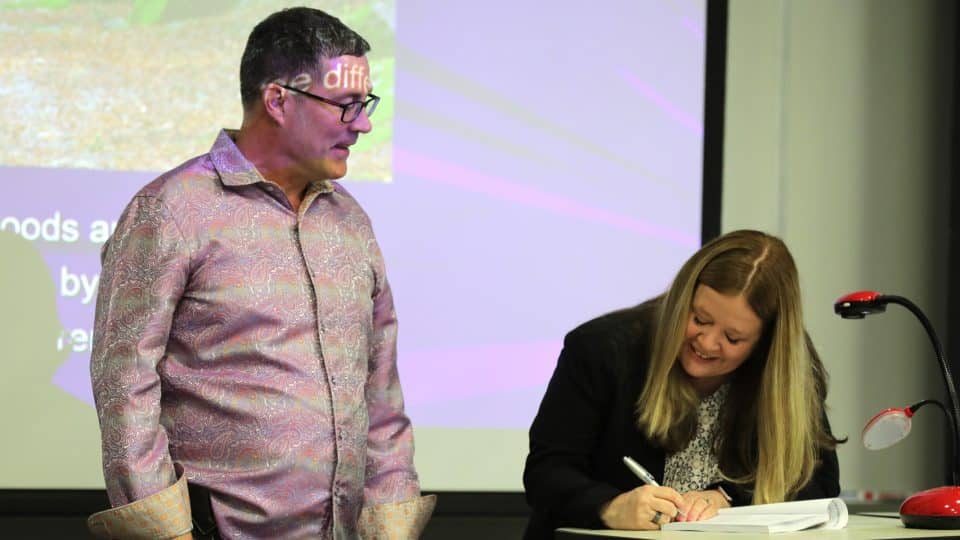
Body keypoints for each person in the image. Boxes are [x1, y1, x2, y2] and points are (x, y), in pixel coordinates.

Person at [87, 7, 433, 539]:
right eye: (345, 107)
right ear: (278, 100)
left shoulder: (350, 222)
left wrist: (391, 524)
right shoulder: (172, 211)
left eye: (365, 107)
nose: (362, 125)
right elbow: (124, 387)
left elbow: (380, 390)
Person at [522, 230, 843, 538]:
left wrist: (729, 498)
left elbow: (818, 483)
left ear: (763, 345)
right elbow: (547, 473)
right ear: (682, 299)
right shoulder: (602, 350)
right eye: (699, 319)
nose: (707, 342)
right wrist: (610, 507)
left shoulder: (787, 371)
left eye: (732, 338)